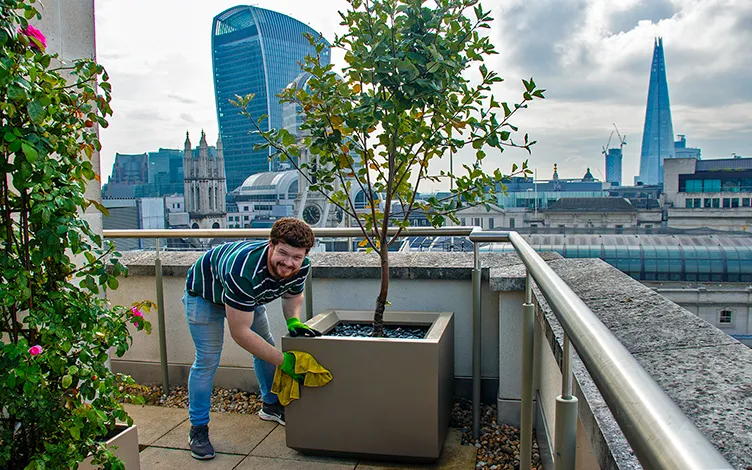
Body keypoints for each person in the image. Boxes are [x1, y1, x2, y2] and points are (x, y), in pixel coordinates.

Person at [183, 217, 322, 460]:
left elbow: (291, 296)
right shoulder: (244, 269)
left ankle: (270, 405)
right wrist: (285, 362)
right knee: (207, 360)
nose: (289, 263)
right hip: (205, 296)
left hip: (247, 299)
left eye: (296, 257)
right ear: (271, 244)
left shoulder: (302, 266)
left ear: (305, 255)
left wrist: (293, 321)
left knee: (265, 347)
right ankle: (198, 429)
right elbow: (241, 333)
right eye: (283, 253)